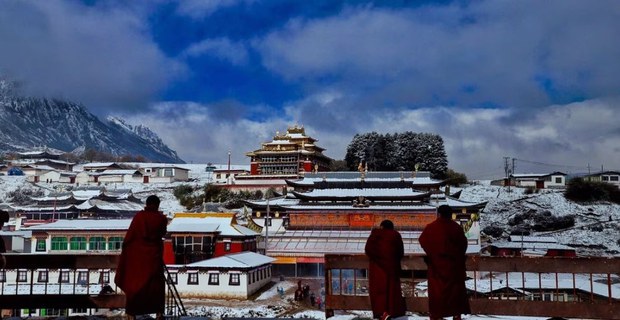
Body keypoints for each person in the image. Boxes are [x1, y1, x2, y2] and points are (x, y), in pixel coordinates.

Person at [114, 195, 168, 320]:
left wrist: (127, 254)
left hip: (137, 258)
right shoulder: (161, 219)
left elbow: (129, 238)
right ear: (158, 205)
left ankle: (132, 313)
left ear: (146, 203)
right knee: (155, 286)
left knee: (135, 285)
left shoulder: (139, 217)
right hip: (153, 257)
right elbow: (162, 233)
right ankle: (159, 312)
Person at [419, 205, 470, 320]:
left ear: (439, 214)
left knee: (437, 293)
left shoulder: (431, 227)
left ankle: (436, 316)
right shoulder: (456, 228)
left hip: (436, 267)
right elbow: (463, 245)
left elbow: (423, 240)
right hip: (453, 267)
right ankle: (456, 315)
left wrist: (432, 254)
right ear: (450, 214)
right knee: (455, 293)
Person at [364, 220, 406, 320]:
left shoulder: (375, 234)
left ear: (381, 226)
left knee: (378, 292)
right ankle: (390, 312)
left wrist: (378, 259)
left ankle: (380, 313)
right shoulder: (395, 235)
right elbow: (400, 252)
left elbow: (368, 249)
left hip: (377, 269)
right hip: (392, 268)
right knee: (391, 292)